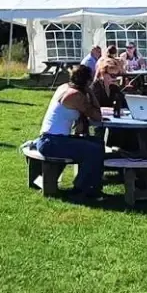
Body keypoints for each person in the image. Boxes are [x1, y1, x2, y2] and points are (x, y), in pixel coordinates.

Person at [35, 64, 104, 200]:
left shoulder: (64, 87)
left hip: (53, 139)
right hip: (52, 142)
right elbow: (97, 115)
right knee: (93, 150)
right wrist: (90, 92)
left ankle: (93, 186)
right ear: (87, 81)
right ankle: (80, 189)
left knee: (98, 143)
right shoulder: (75, 95)